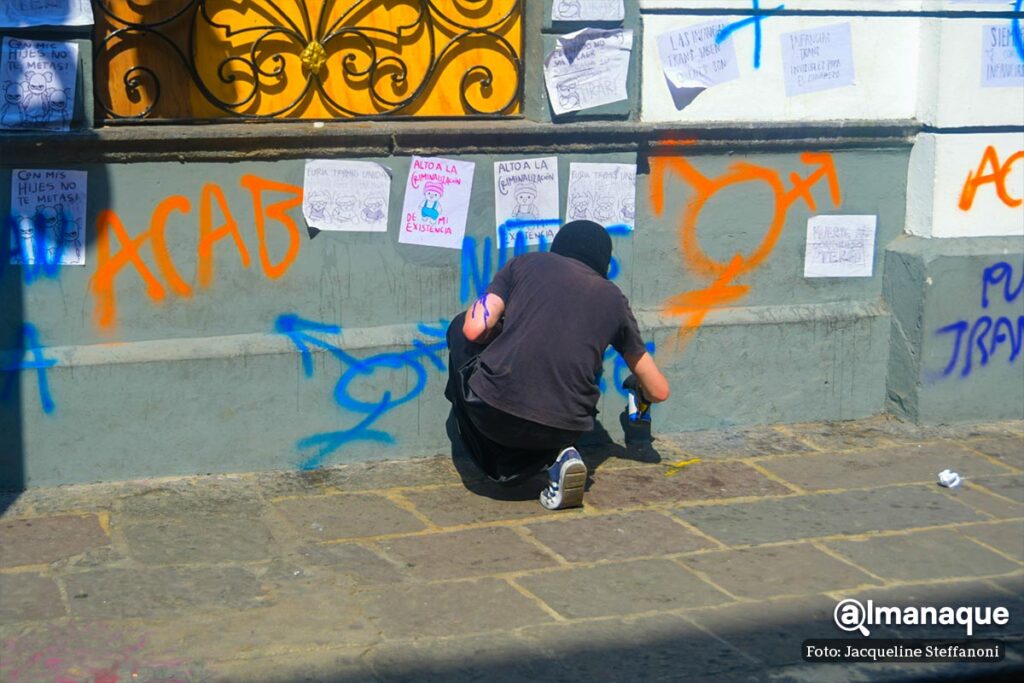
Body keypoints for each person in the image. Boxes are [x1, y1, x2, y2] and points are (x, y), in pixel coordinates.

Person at [445, 220, 670, 510]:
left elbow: (473, 330)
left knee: (457, 327)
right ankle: (558, 458)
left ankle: (518, 465)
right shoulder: (614, 299)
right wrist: (640, 395)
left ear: (558, 247)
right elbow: (659, 390)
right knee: (547, 415)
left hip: (494, 416)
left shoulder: (524, 264)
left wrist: (499, 333)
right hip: (564, 428)